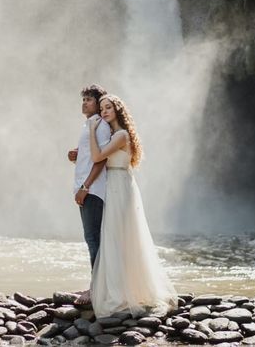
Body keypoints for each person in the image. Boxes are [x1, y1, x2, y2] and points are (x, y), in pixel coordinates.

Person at [88, 94, 178, 318]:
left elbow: (98, 156)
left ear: (117, 110)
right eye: (101, 108)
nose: (104, 112)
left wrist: (91, 130)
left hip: (119, 185)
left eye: (108, 107)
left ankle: (120, 295)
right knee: (120, 238)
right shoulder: (114, 135)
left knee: (118, 238)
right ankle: (124, 290)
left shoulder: (120, 135)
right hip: (118, 184)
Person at [68, 84, 111, 305]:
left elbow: (102, 159)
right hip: (86, 188)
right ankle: (98, 285)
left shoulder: (100, 125)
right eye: (83, 99)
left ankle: (97, 290)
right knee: (93, 238)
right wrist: (76, 154)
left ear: (98, 103)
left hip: (92, 190)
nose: (84, 103)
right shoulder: (89, 124)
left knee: (94, 239)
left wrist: (85, 188)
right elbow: (92, 155)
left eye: (88, 99)